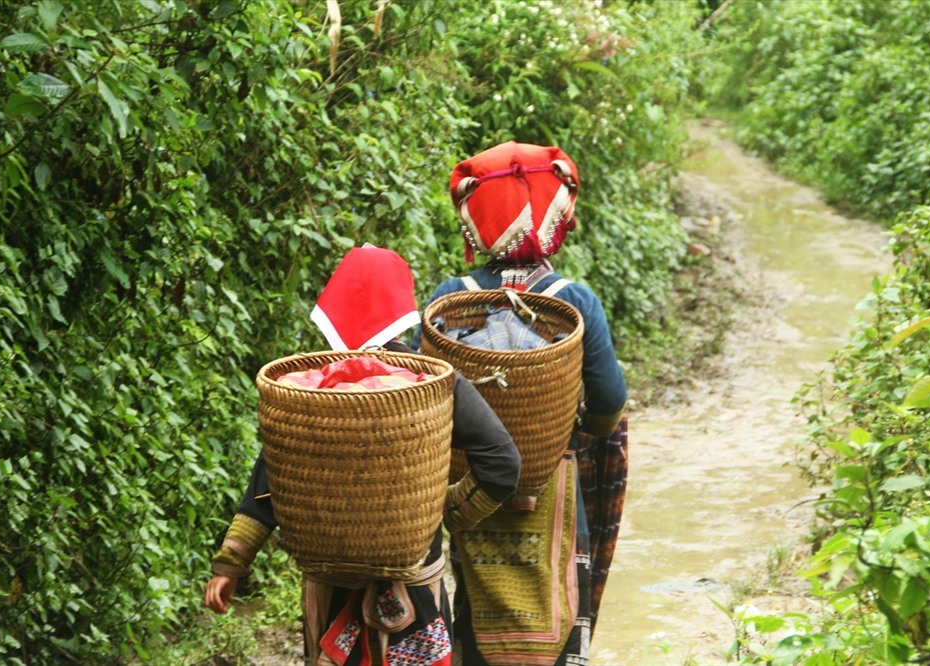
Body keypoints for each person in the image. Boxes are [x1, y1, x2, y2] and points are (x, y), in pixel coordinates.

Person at [203, 244, 521, 666]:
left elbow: (269, 483)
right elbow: (502, 462)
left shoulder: (306, 390)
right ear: (402, 310)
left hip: (331, 588)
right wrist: (442, 510)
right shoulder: (432, 384)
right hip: (414, 587)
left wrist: (231, 566)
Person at [412, 141, 628, 665]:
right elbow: (609, 400)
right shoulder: (573, 299)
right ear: (557, 215)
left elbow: (430, 389)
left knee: (474, 607)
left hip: (472, 487)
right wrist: (588, 429)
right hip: (551, 483)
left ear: (477, 223)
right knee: (557, 601)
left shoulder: (449, 296)